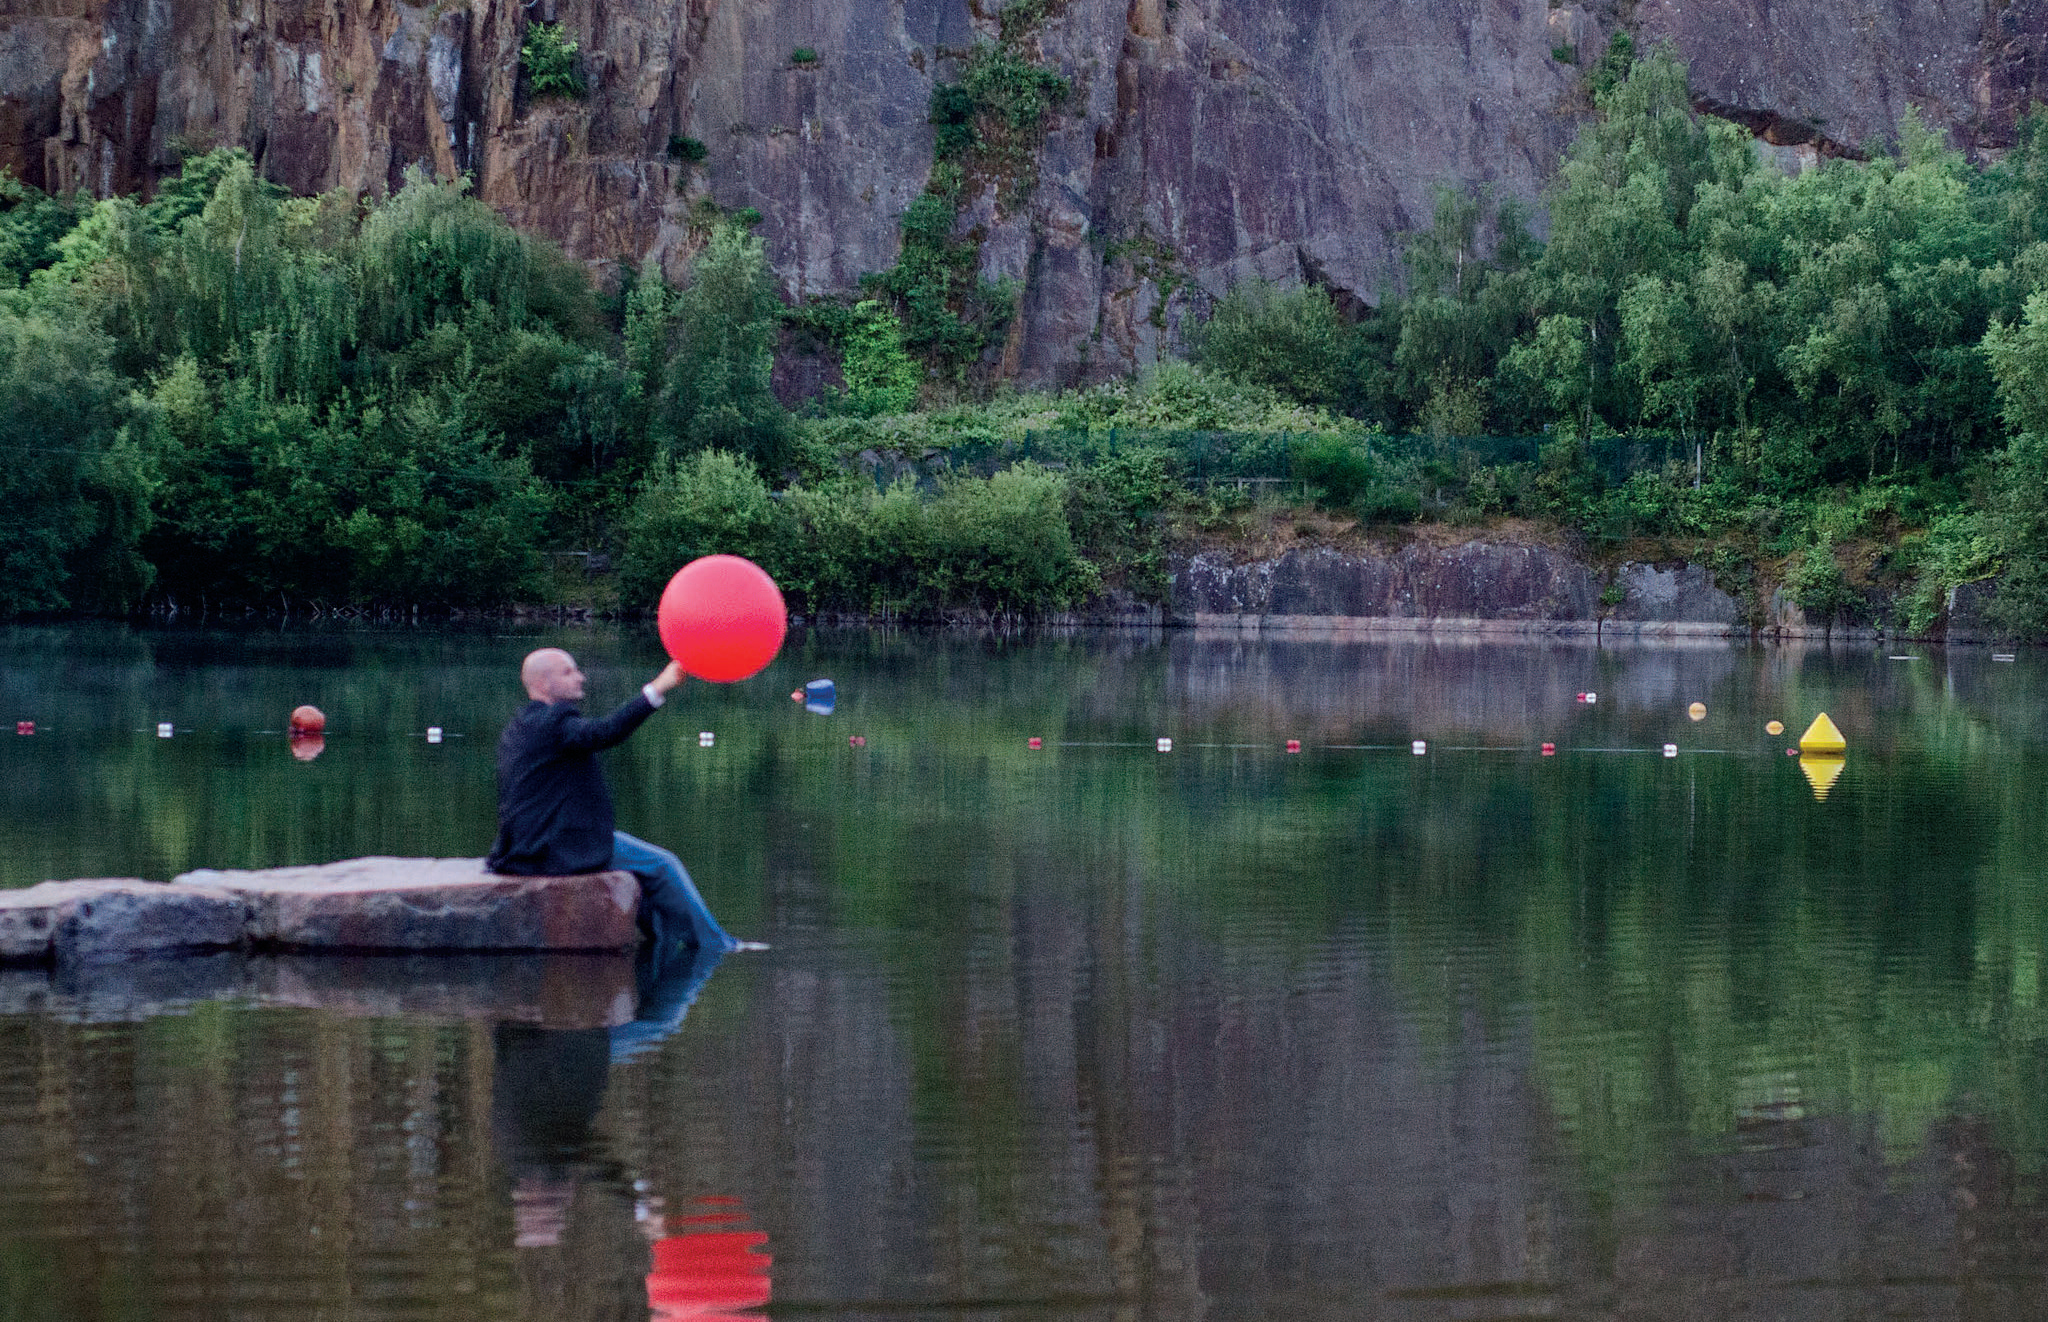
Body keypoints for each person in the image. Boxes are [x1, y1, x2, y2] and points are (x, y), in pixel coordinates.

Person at [488, 647, 737, 952]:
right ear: (542, 685)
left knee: (643, 871)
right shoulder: (554, 723)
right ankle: (717, 946)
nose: (581, 677)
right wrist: (658, 687)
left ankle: (664, 945)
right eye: (569, 672)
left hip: (526, 847)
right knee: (663, 866)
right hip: (553, 849)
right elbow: (607, 732)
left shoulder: (523, 724)